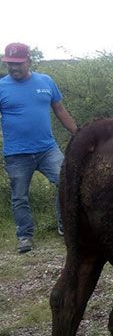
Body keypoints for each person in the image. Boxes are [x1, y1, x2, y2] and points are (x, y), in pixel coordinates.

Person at [0, 42, 78, 253]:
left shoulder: (46, 81)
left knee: (66, 182)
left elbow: (60, 110)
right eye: (10, 64)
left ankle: (65, 226)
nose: (14, 68)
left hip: (47, 149)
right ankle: (25, 236)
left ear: (29, 61)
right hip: (16, 154)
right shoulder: (2, 87)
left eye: (18, 63)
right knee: (19, 196)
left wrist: (78, 134)